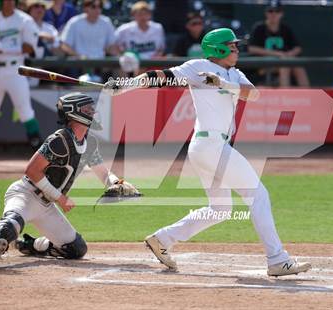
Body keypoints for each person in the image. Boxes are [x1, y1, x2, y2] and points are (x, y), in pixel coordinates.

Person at [107, 28, 311, 277]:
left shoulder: (235, 73)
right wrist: (126, 85)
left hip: (211, 147)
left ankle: (162, 239)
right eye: (232, 46)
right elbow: (161, 76)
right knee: (258, 194)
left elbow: (254, 95)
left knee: (221, 209)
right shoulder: (198, 67)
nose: (237, 49)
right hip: (209, 145)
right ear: (218, 48)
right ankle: (277, 259)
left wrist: (225, 84)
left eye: (236, 46)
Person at [0, 92, 141, 264]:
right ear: (74, 113)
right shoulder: (59, 140)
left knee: (76, 249)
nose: (93, 112)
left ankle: (31, 245)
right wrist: (60, 197)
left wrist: (116, 183)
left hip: (46, 206)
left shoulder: (88, 143)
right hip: (26, 195)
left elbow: (103, 172)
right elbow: (32, 171)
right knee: (7, 229)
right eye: (88, 109)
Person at [0, 0, 42, 149]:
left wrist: (4, 47)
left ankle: (38, 150)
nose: (10, 2)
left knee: (25, 111)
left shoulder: (24, 20)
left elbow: (29, 47)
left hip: (15, 71)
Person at [248, 0, 309, 87]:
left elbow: (297, 48)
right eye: (270, 11)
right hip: (263, 65)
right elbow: (252, 48)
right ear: (266, 13)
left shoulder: (285, 28)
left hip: (283, 61)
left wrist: (288, 55)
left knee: (298, 67)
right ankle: (285, 96)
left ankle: (307, 97)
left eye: (277, 11)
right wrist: (277, 54)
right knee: (284, 66)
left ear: (282, 14)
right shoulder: (259, 28)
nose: (274, 14)